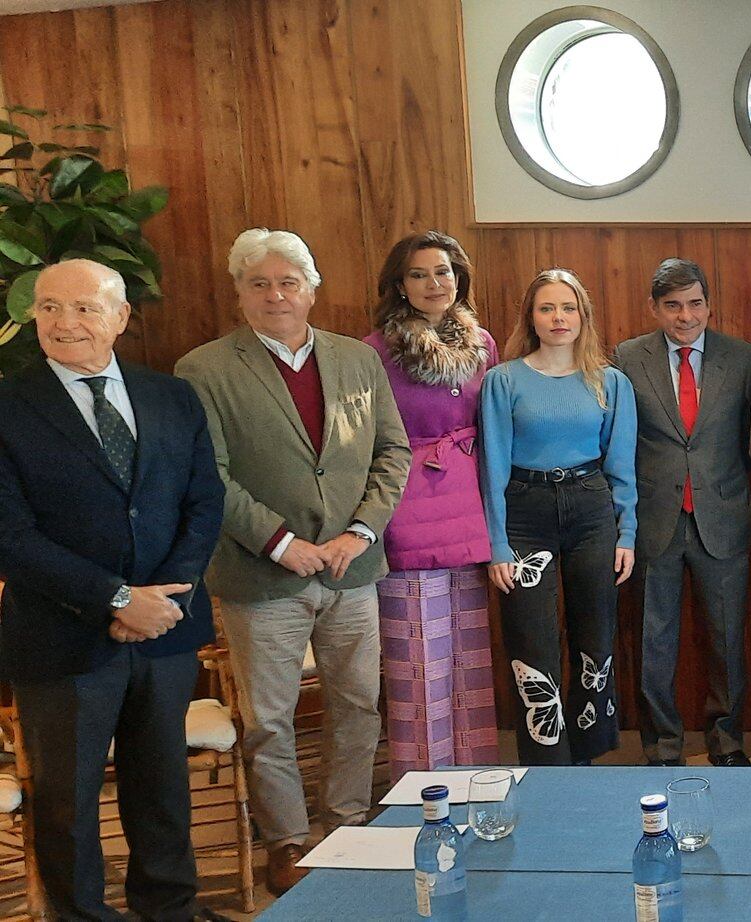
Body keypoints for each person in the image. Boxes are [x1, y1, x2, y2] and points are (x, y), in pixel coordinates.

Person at [177, 228, 412, 892]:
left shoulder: (357, 360)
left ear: (312, 290)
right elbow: (208, 474)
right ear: (240, 293)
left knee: (358, 704)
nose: (276, 294)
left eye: (289, 282)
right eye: (260, 283)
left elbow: (392, 453)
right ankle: (286, 839)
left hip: (352, 567)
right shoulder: (205, 369)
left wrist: (360, 532)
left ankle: (346, 825)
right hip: (262, 576)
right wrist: (282, 542)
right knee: (271, 719)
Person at [0, 260, 225, 920]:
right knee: (67, 806)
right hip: (61, 639)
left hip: (165, 636)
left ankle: (169, 912)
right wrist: (118, 599)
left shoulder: (172, 397)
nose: (64, 322)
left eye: (84, 308)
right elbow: (10, 534)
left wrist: (166, 601)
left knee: (163, 793)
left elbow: (203, 503)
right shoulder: (8, 405)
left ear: (121, 317)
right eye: (48, 308)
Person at [480, 267, 637, 766]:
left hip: (591, 508)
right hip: (525, 511)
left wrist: (626, 531)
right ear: (531, 316)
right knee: (533, 641)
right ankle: (547, 764)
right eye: (547, 307)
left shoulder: (610, 381)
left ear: (583, 316)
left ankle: (589, 753)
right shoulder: (502, 381)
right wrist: (498, 544)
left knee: (595, 631)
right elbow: (493, 467)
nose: (558, 317)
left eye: (568, 307)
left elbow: (622, 465)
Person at [614, 258, 751, 767]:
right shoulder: (627, 359)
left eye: (695, 303)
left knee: (726, 638)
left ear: (709, 305)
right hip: (655, 520)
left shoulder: (741, 359)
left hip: (721, 517)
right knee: (654, 641)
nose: (685, 316)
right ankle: (662, 746)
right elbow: (621, 442)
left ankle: (728, 742)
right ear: (654, 308)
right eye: (673, 305)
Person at [363, 231, 500, 777]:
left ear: (459, 278)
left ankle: (475, 779)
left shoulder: (483, 343)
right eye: (419, 274)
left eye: (442, 271)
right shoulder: (374, 350)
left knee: (468, 654)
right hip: (408, 504)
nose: (433, 283)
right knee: (419, 659)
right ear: (400, 284)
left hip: (472, 504)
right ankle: (423, 789)